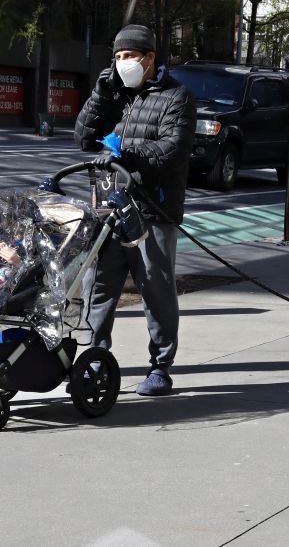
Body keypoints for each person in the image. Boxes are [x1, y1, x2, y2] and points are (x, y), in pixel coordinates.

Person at [74, 24, 196, 396]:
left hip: (153, 211)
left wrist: (128, 156)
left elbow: (172, 149)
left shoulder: (177, 97)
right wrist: (99, 94)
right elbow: (83, 137)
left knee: (156, 291)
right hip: (111, 211)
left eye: (129, 56)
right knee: (100, 289)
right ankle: (95, 360)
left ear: (149, 59)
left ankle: (161, 367)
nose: (122, 62)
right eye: (117, 57)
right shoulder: (115, 95)